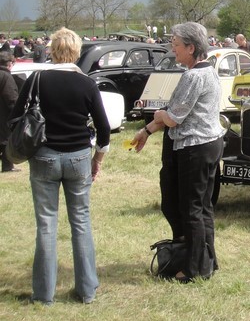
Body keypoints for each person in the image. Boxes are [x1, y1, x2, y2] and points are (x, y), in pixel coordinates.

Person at [11, 27, 110, 304]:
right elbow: (103, 128)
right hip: (78, 156)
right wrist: (97, 159)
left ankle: (43, 295)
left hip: (43, 155)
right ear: (77, 52)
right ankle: (87, 290)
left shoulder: (37, 79)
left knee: (46, 224)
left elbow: (16, 116)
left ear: (52, 50)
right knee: (81, 222)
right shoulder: (87, 84)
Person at [131, 22, 225, 282]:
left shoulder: (193, 76)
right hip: (209, 145)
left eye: (176, 46)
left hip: (195, 148)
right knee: (203, 207)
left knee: (192, 209)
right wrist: (147, 131)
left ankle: (193, 269)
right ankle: (207, 262)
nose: (173, 52)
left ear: (191, 48)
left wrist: (159, 114)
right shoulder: (209, 72)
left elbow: (173, 118)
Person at [0, 51, 23, 172]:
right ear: (9, 63)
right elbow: (11, 98)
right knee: (5, 140)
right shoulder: (6, 76)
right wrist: (17, 112)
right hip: (3, 114)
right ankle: (7, 166)